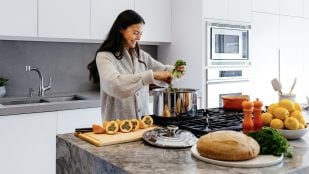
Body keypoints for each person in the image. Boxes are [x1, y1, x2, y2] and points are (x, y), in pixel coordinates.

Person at [87, 9, 185, 121]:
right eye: (135, 33)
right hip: (117, 127)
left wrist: (177, 71)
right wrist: (153, 75)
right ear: (121, 29)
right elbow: (117, 86)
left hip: (143, 124)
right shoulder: (105, 56)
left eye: (140, 33)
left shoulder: (141, 56)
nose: (139, 38)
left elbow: (163, 70)